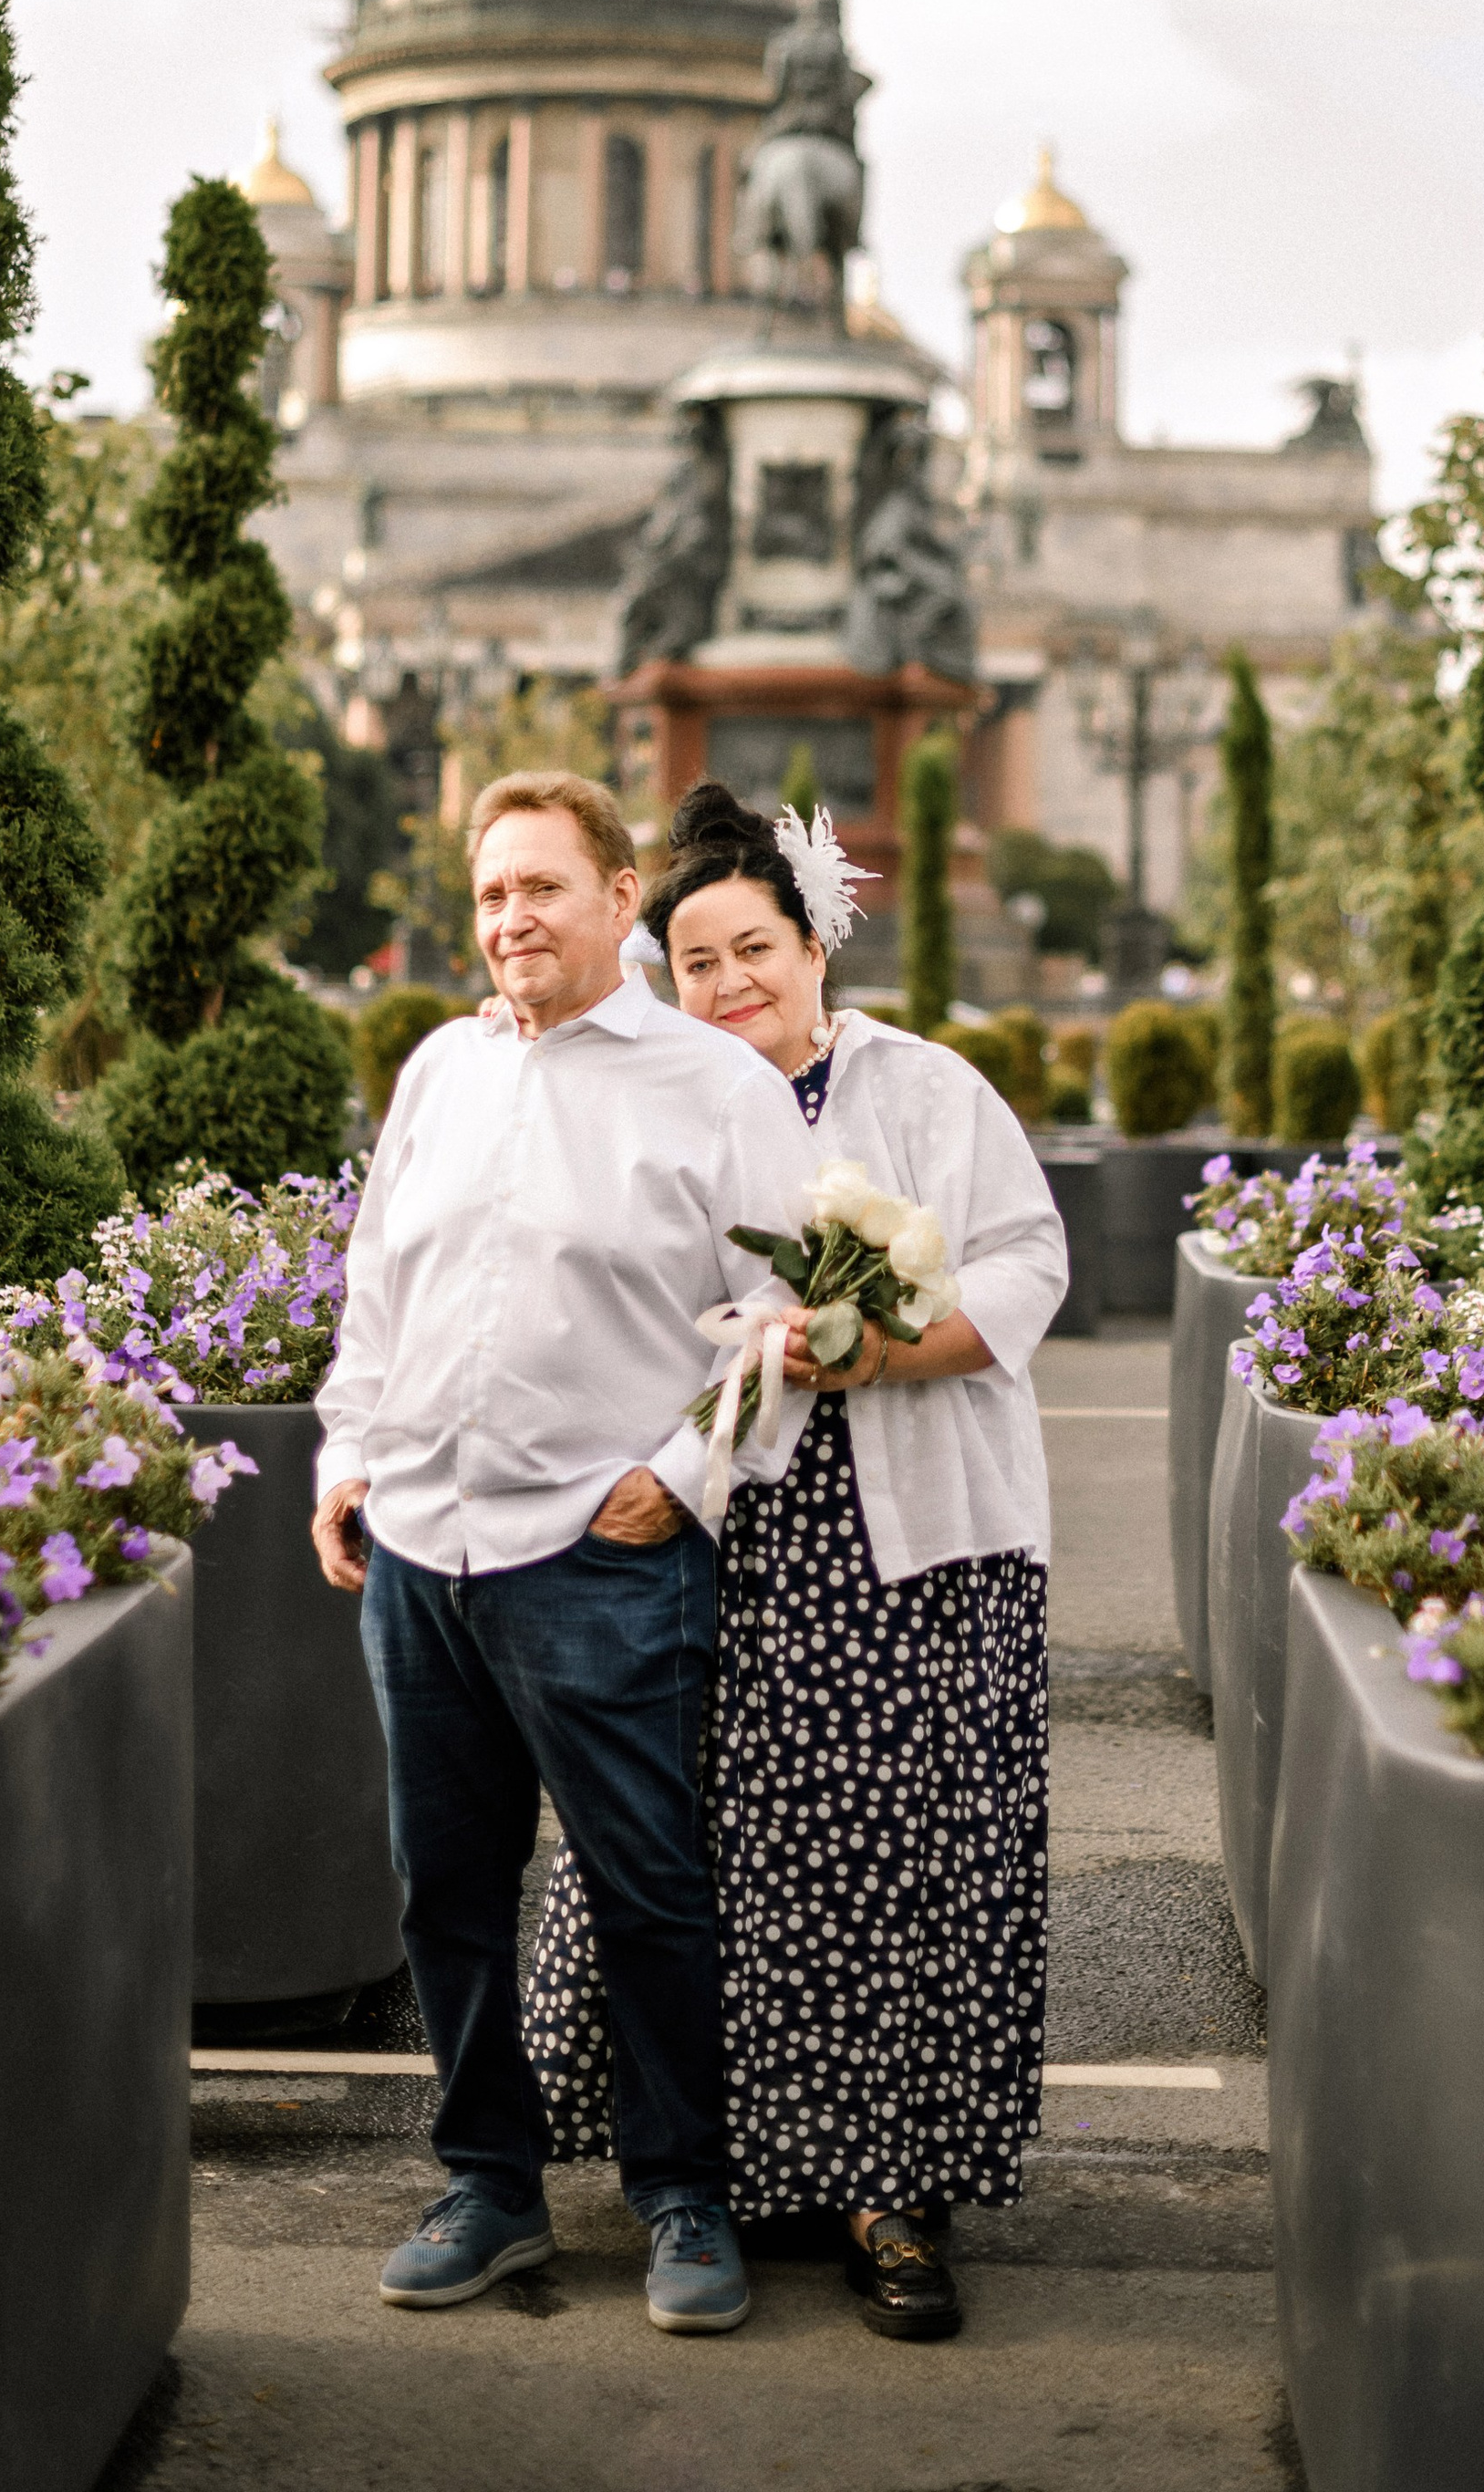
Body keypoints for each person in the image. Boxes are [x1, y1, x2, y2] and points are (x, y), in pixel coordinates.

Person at [524, 781, 1066, 2343]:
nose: (729, 983)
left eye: (752, 948)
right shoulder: (657, 1105)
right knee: (708, 1845)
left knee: (896, 1855)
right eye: (696, 962)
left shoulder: (925, 1087)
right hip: (716, 1533)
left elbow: (1028, 1263)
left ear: (816, 942)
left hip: (918, 1549)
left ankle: (892, 2190)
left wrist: (882, 1352)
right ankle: (718, 2170)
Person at [311, 770, 817, 2336]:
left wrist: (685, 1476)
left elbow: (784, 1317)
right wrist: (347, 1455)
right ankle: (491, 2186)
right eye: (490, 894)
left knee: (648, 1886)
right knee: (445, 1893)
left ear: (618, 899)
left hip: (601, 1554)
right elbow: (379, 1290)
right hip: (420, 1549)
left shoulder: (714, 1086)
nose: (511, 918)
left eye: (541, 886)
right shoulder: (440, 1070)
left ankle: (683, 2195)